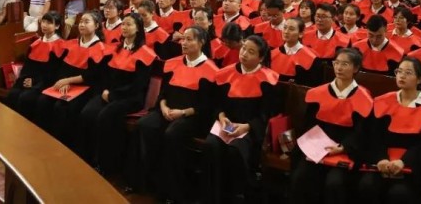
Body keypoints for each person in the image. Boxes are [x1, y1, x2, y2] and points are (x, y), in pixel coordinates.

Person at [130, 26, 218, 201]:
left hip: (193, 117)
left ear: (201, 42)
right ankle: (147, 180)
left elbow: (206, 106)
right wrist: (162, 107)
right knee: (144, 125)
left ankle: (173, 190)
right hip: (167, 110)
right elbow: (163, 94)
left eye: (189, 39)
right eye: (183, 39)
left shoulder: (211, 69)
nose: (184, 43)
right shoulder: (173, 63)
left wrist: (182, 112)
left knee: (172, 134)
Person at [357, 57, 421, 203]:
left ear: (419, 79)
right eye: (399, 71)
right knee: (367, 185)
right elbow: (374, 135)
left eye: (408, 72)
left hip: (413, 168)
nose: (402, 76)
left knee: (399, 194)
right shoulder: (382, 102)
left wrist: (403, 162)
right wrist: (381, 158)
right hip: (381, 163)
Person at [290, 47, 374, 204]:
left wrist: (343, 148)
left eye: (345, 64)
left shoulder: (364, 98)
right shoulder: (318, 93)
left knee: (334, 183)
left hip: (345, 152)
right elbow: (309, 124)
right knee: (301, 177)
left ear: (356, 68)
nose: (339, 68)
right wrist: (315, 146)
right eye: (337, 63)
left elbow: (361, 132)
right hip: (317, 150)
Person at [201, 35, 279, 203]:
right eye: (244, 48)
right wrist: (221, 117)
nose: (244, 54)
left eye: (251, 52)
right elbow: (217, 104)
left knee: (235, 150)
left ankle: (237, 196)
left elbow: (266, 114)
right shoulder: (225, 73)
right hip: (225, 125)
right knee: (210, 145)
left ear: (261, 57)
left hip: (250, 130)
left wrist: (247, 127)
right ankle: (213, 196)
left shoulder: (268, 79)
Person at [77, 13, 156, 174]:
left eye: (129, 25)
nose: (125, 28)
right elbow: (106, 75)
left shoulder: (145, 53)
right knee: (87, 112)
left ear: (138, 29)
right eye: (123, 25)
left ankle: (105, 164)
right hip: (110, 93)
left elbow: (138, 85)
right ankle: (86, 157)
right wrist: (106, 91)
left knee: (105, 115)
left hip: (131, 97)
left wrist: (112, 95)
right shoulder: (115, 49)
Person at [35, 11, 110, 145]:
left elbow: (91, 75)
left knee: (61, 106)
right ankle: (43, 138)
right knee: (43, 100)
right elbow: (62, 67)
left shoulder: (100, 48)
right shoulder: (72, 43)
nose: (82, 24)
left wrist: (67, 81)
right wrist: (63, 81)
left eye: (87, 22)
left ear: (97, 25)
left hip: (86, 88)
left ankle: (61, 144)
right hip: (67, 84)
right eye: (81, 21)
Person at [5, 12, 66, 121]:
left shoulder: (60, 46)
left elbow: (54, 73)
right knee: (13, 94)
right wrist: (25, 79)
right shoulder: (35, 44)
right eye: (43, 21)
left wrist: (34, 82)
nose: (44, 25)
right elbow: (27, 67)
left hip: (45, 83)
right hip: (31, 81)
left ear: (57, 26)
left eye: (49, 23)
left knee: (26, 98)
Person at [270, 17, 320, 86]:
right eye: (285, 27)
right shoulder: (272, 54)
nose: (286, 31)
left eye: (291, 29)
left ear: (301, 34)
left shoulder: (312, 58)